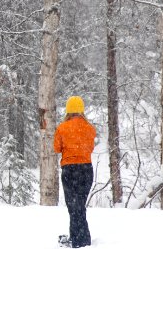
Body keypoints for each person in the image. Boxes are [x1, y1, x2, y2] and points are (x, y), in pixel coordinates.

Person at [53, 96, 96, 248]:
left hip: (70, 170)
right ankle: (80, 236)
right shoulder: (90, 128)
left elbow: (56, 148)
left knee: (73, 205)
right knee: (80, 204)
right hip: (86, 169)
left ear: (68, 110)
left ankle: (79, 240)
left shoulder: (62, 128)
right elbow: (90, 148)